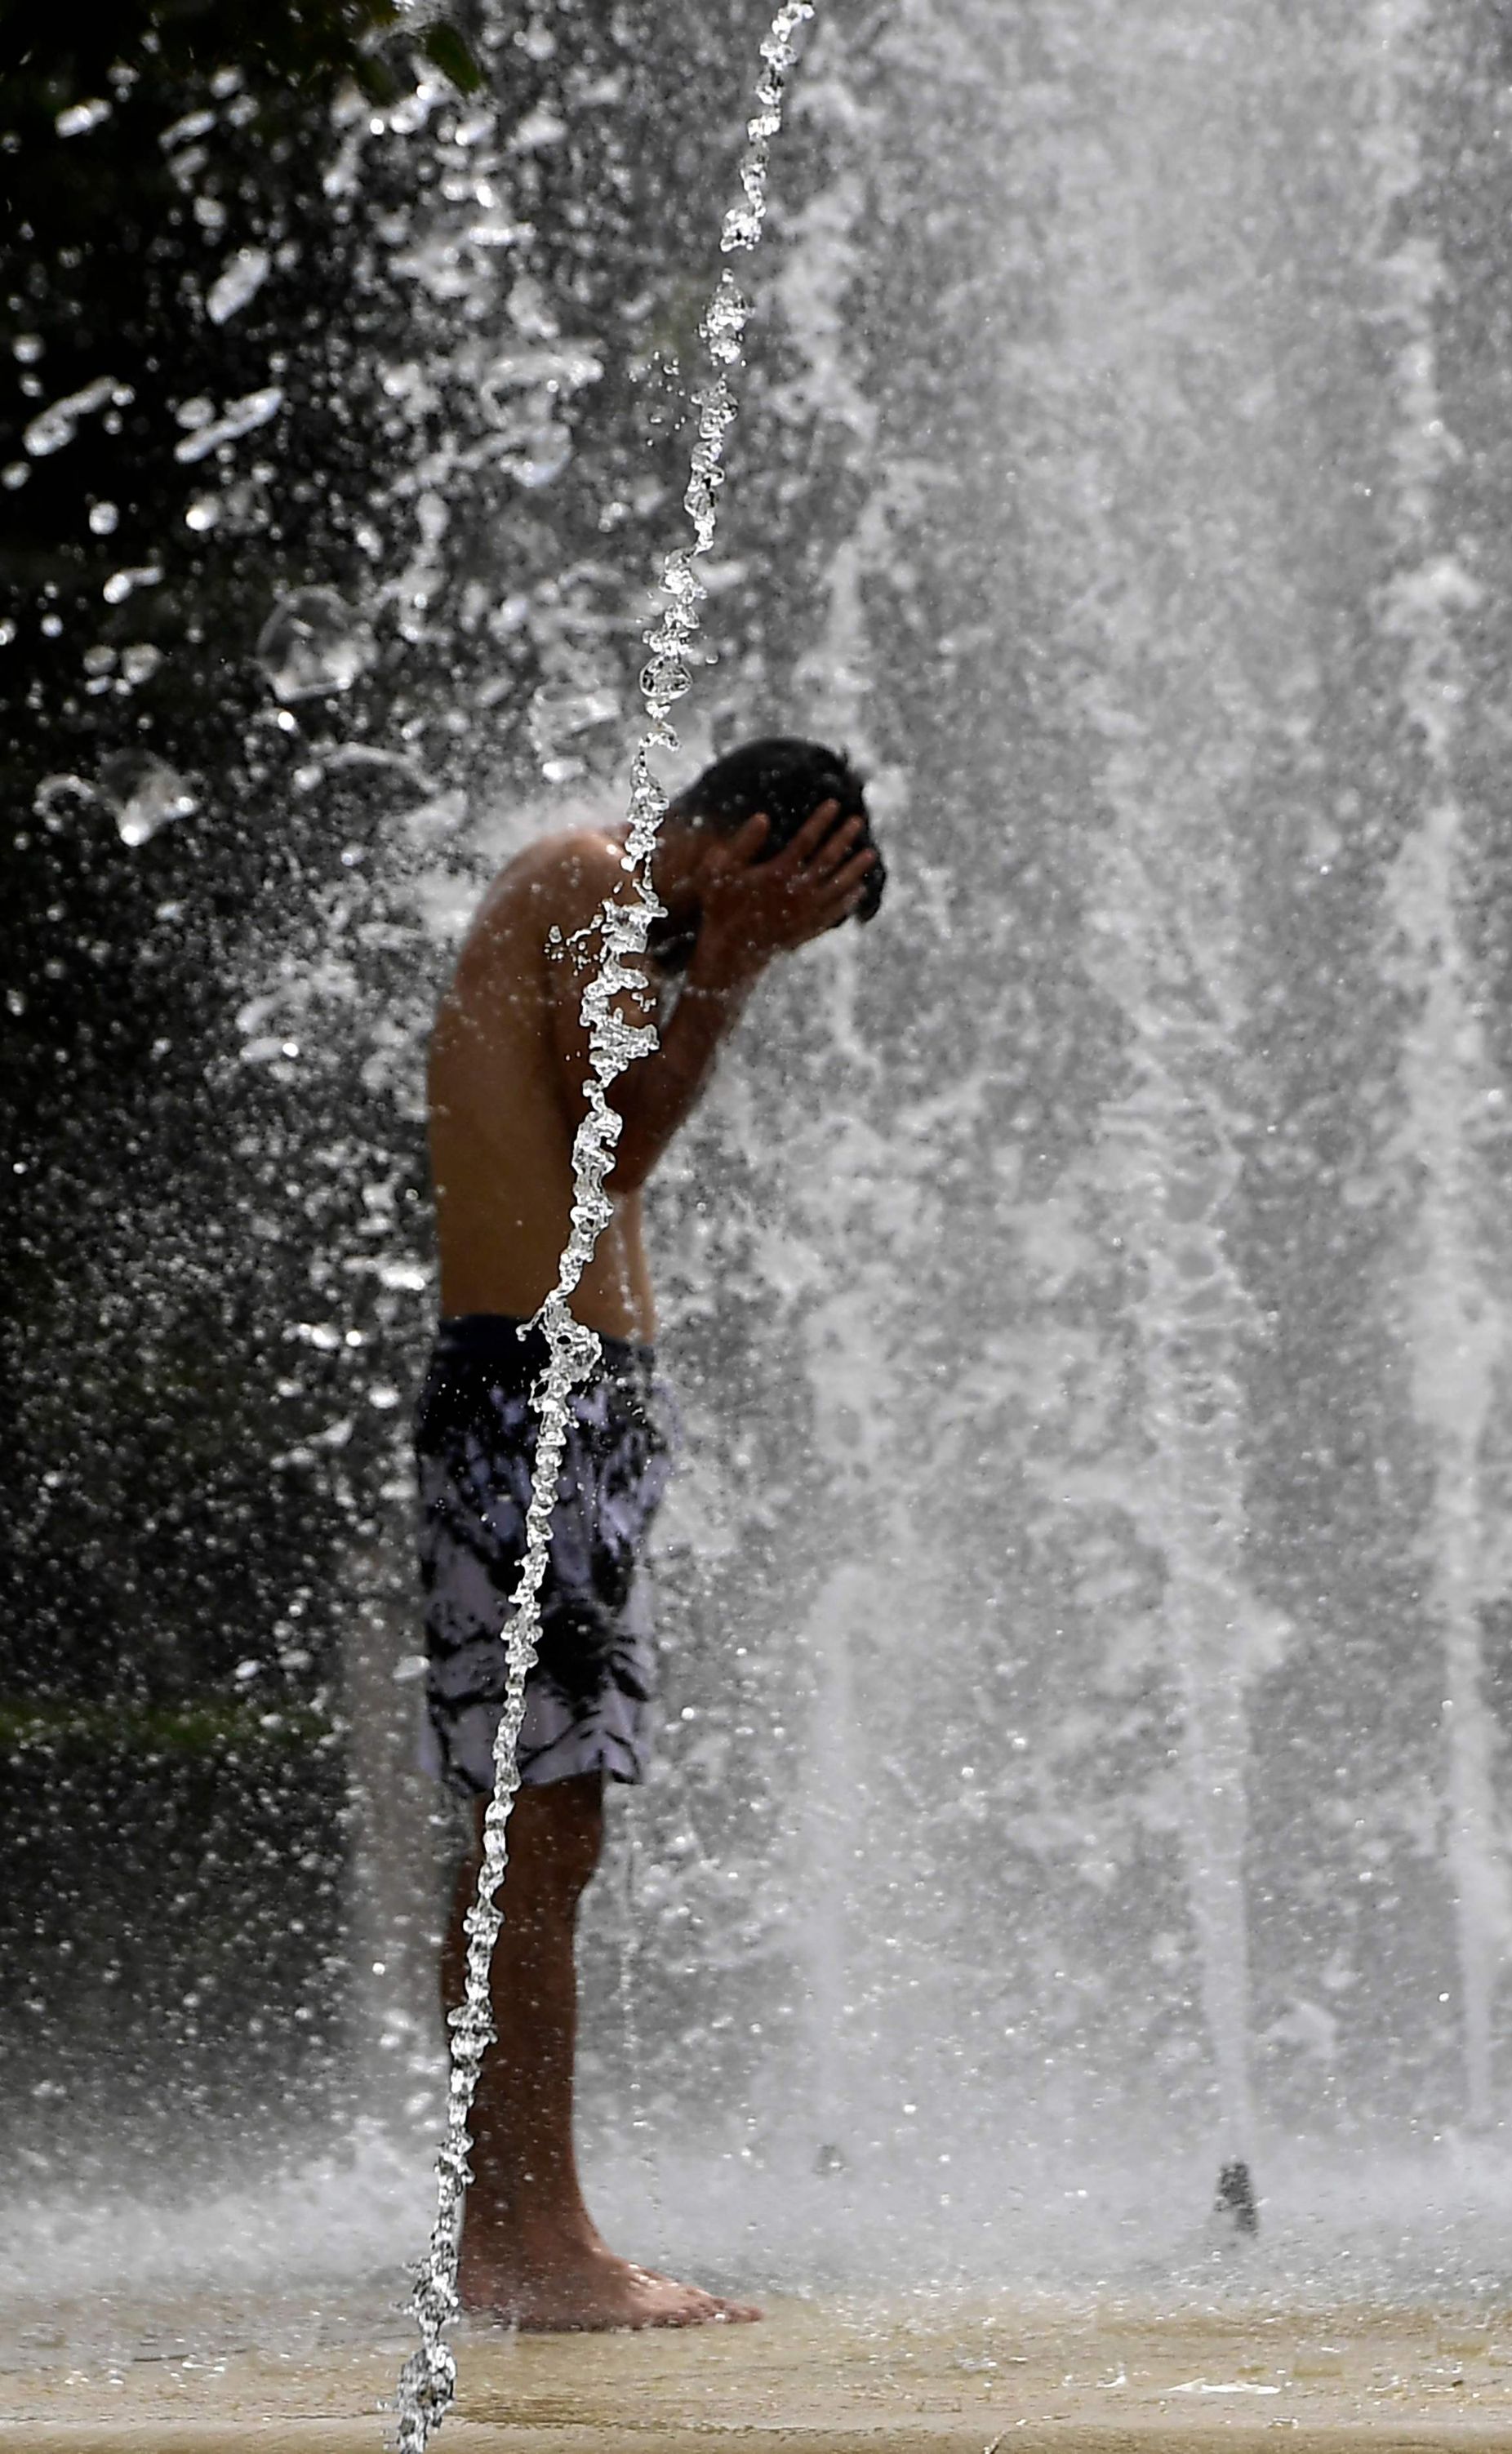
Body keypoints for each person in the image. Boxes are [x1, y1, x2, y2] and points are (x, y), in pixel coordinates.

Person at [418, 739, 881, 2329]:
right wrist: (732, 976)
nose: (744, 937)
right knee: (527, 1830)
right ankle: (533, 2252)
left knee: (549, 1829)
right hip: (526, 1394)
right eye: (775, 897)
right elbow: (617, 1140)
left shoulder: (615, 904)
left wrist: (730, 959)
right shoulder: (590, 878)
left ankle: (513, 2239)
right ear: (747, 838)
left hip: (572, 1399)